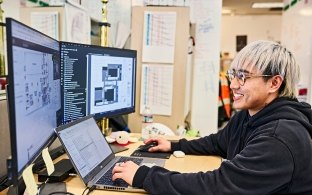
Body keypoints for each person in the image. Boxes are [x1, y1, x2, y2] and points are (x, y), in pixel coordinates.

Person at [112, 40, 312, 194]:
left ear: (274, 83)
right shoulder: (249, 115)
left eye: (243, 77)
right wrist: (174, 146)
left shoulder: (279, 138)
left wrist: (144, 176)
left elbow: (217, 187)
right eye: (233, 75)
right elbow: (218, 143)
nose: (233, 85)